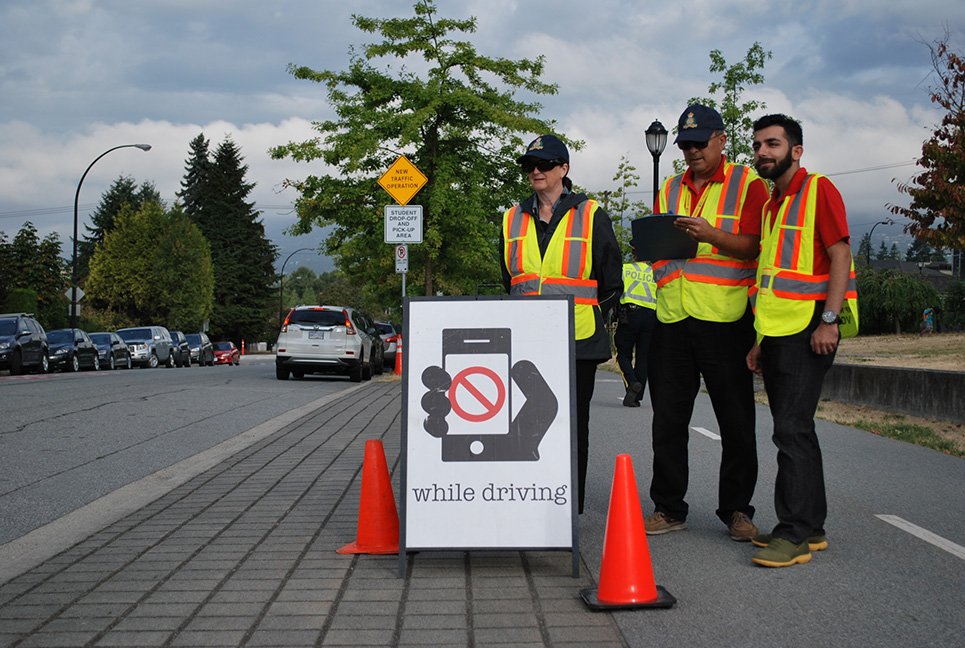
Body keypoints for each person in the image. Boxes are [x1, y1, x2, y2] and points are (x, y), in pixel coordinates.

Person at [645, 104, 770, 541]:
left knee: (736, 422)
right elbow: (658, 243)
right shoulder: (668, 187)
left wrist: (711, 234)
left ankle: (737, 510)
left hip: (724, 319)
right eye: (685, 145)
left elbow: (756, 247)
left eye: (699, 143)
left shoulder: (748, 185)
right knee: (668, 421)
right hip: (673, 317)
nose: (691, 152)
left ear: (721, 140)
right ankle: (668, 507)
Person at [746, 113, 859, 567]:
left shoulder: (818, 190)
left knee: (790, 429)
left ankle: (792, 534)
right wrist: (759, 341)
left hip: (810, 326)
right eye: (757, 145)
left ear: (796, 151)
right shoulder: (774, 203)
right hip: (778, 330)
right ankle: (810, 527)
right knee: (796, 429)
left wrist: (828, 320)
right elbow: (771, 278)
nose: (762, 153)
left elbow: (840, 254)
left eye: (772, 144)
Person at [500, 134, 623, 514]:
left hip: (577, 340)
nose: (536, 171)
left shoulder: (590, 214)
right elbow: (510, 279)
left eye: (545, 164)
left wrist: (591, 317)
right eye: (530, 165)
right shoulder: (511, 218)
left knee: (572, 427)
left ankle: (568, 507)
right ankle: (531, 498)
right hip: (526, 343)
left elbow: (611, 281)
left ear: (564, 169)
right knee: (525, 421)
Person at [615, 258, 657, 407]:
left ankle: (632, 383)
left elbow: (615, 289)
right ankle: (635, 397)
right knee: (643, 358)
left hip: (630, 315)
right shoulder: (655, 271)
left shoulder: (625, 269)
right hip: (651, 317)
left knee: (623, 354)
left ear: (634, 254)